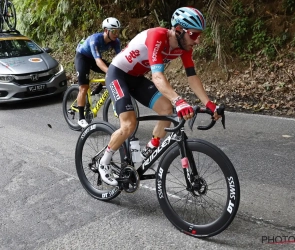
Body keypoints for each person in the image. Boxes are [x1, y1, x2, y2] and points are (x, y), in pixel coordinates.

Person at [99, 7, 222, 186]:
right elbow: (157, 76)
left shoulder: (184, 47)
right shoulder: (157, 36)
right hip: (117, 74)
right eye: (194, 35)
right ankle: (104, 162)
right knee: (129, 124)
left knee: (166, 109)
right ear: (179, 30)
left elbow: (192, 77)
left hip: (136, 78)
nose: (198, 40)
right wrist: (179, 100)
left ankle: (147, 152)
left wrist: (209, 104)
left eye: (199, 35)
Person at [75, 17, 122, 128]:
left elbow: (120, 58)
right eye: (114, 31)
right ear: (106, 30)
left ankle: (96, 93)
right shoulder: (94, 39)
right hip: (83, 57)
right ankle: (81, 118)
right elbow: (98, 61)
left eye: (118, 31)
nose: (117, 34)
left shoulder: (116, 42)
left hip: (94, 58)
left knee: (114, 71)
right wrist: (109, 72)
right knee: (84, 87)